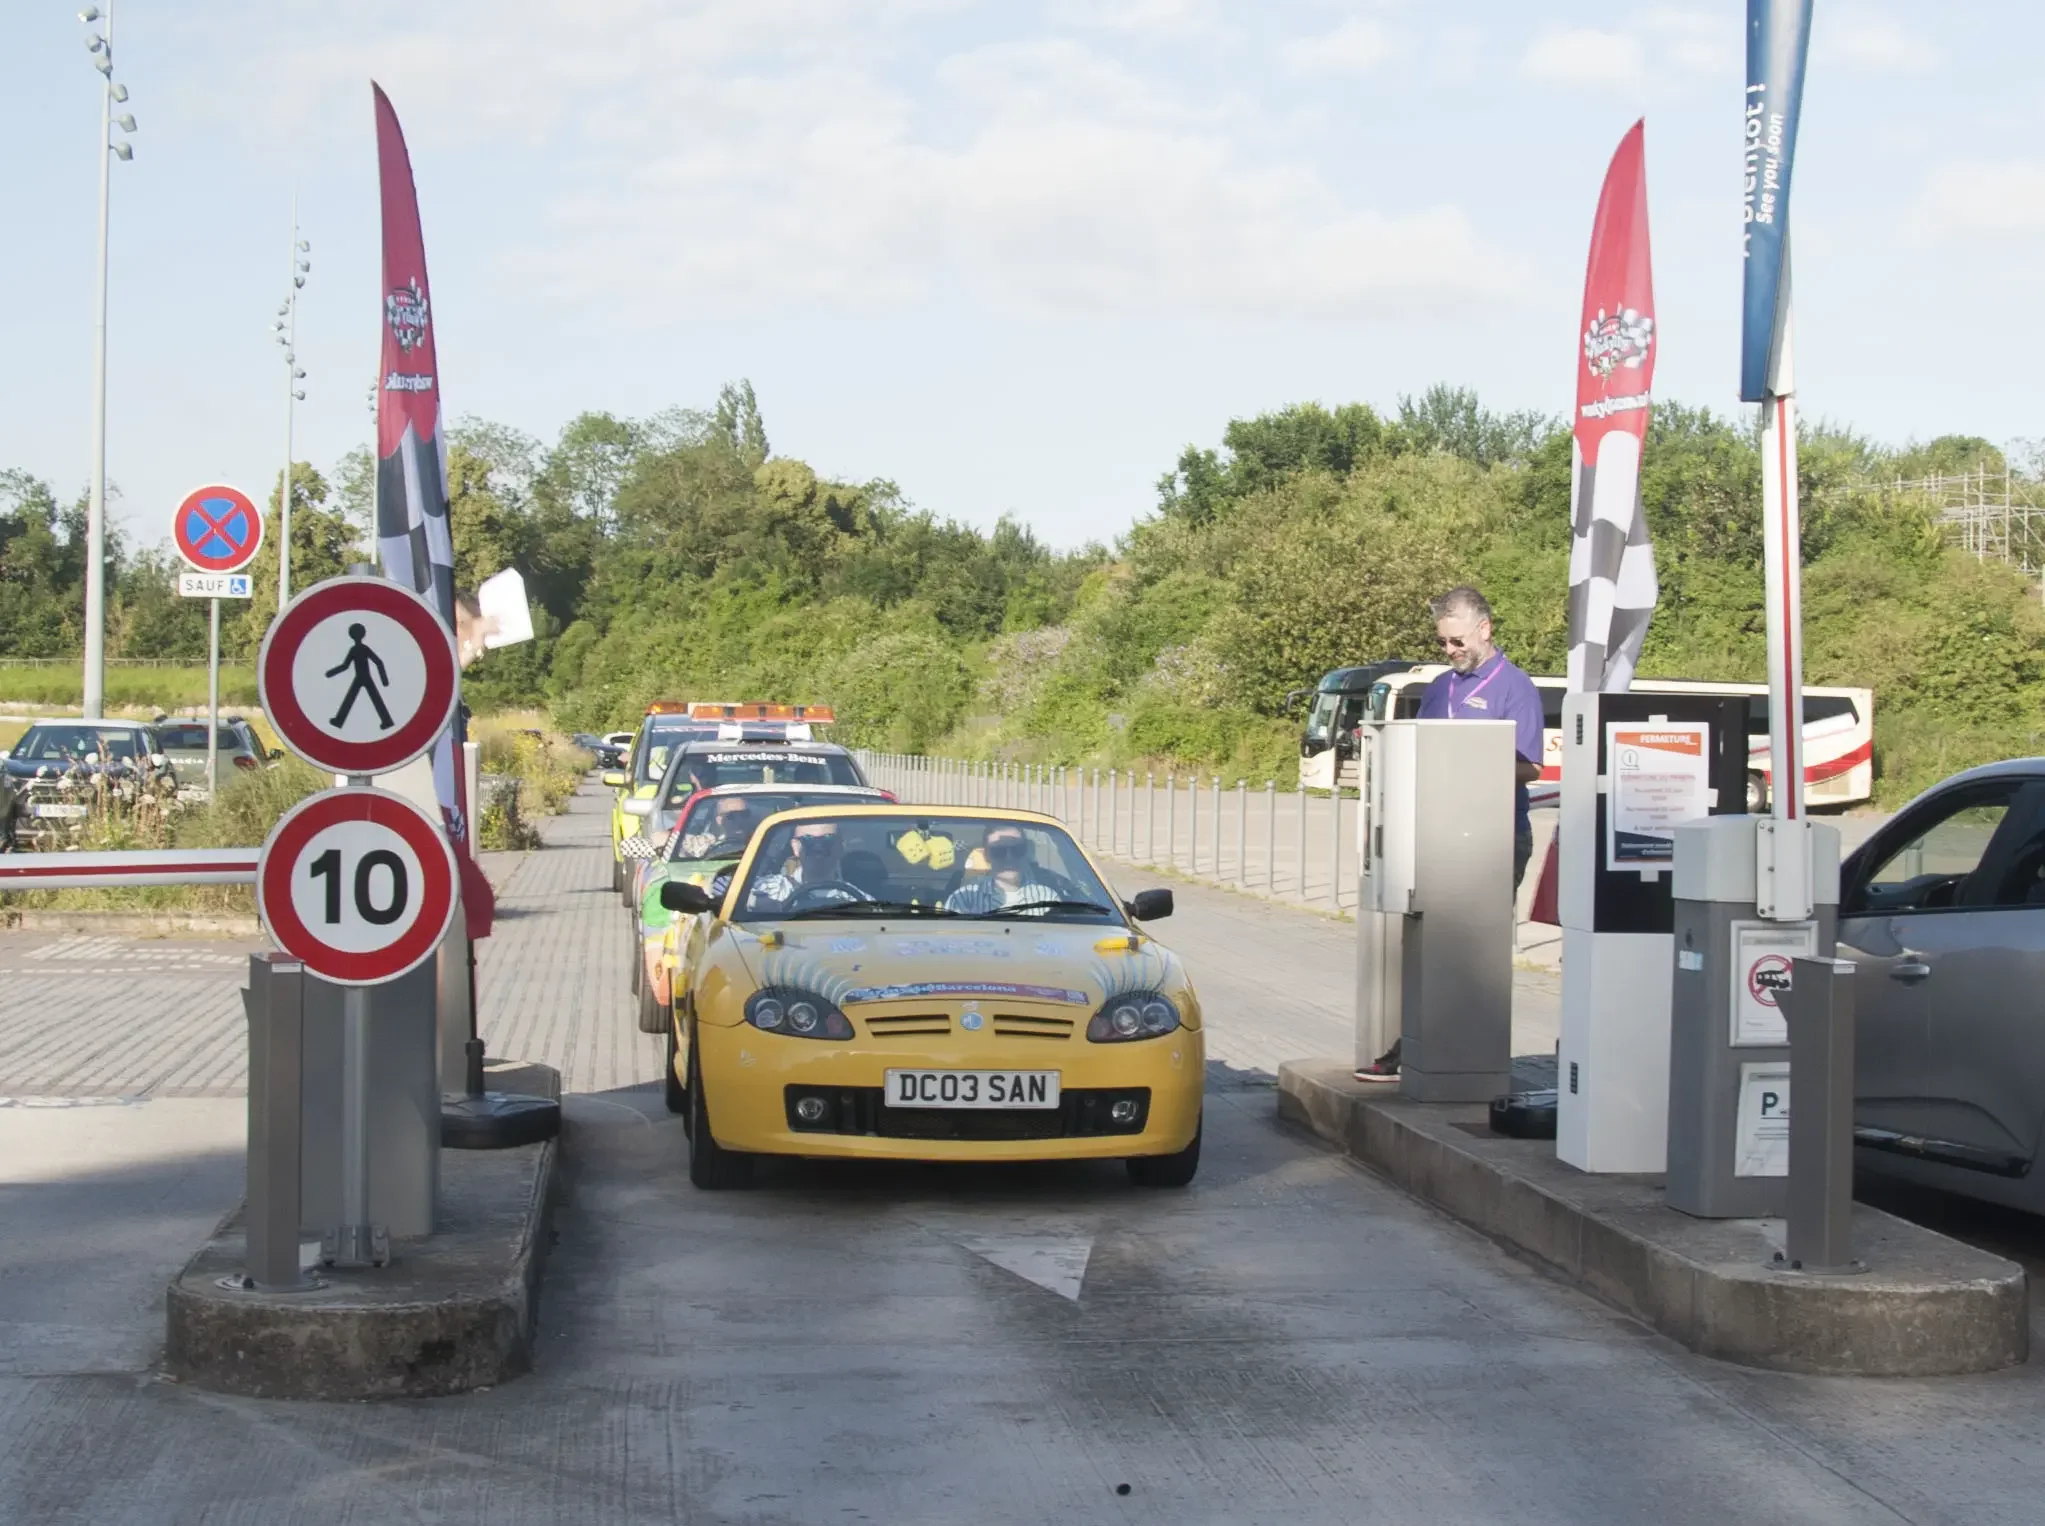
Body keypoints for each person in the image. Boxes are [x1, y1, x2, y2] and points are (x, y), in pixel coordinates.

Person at [1357, 585, 1543, 1083]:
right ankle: (1416, 1047)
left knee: (1471, 951)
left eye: (1457, 641)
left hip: (1491, 839)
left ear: (1485, 629)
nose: (1450, 651)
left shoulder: (1514, 687)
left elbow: (1531, 768)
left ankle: (1466, 1057)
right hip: (1432, 835)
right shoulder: (1440, 687)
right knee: (1421, 945)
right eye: (1443, 642)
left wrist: (1472, 762)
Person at [942, 825, 1093, 917]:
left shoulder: (1048, 899)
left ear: (1026, 852)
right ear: (986, 855)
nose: (1009, 857)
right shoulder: (963, 900)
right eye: (999, 851)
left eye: (1017, 849)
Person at [744, 822, 873, 913]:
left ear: (840, 847)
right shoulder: (765, 889)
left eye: (827, 840)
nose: (818, 848)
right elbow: (728, 903)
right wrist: (755, 902)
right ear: (795, 847)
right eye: (808, 841)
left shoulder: (859, 901)